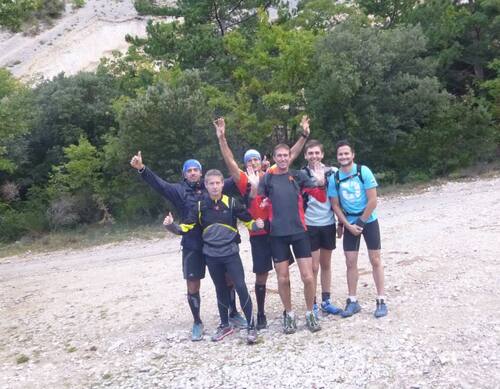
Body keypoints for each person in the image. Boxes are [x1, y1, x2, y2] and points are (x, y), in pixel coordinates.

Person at [130, 152, 247, 341]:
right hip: (192, 244)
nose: (193, 173)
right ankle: (197, 321)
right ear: (184, 174)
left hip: (217, 244)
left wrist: (257, 168)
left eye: (196, 170)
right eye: (189, 170)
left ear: (201, 173)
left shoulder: (212, 186)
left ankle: (233, 313)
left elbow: (237, 177)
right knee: (193, 283)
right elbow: (159, 184)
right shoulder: (178, 190)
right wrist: (142, 169)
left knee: (228, 280)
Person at [213, 116, 310, 330]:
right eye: (249, 161)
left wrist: (304, 135)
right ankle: (262, 313)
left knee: (283, 273)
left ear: (262, 160)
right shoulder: (243, 181)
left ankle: (287, 310)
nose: (253, 163)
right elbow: (229, 162)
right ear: (245, 164)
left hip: (278, 229)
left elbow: (290, 155)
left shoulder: (271, 174)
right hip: (258, 233)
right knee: (262, 274)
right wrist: (222, 139)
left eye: (256, 159)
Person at [164, 169, 264, 344]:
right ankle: (225, 325)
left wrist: (258, 225)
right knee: (220, 289)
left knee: (240, 287)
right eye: (211, 183)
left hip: (231, 253)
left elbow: (249, 222)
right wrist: (171, 226)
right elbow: (185, 228)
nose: (215, 186)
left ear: (222, 185)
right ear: (206, 185)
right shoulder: (200, 206)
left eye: (218, 183)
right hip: (212, 255)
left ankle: (251, 326)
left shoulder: (232, 203)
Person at [259, 143, 326, 334]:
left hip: (299, 232)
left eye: (285, 155)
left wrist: (321, 183)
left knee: (308, 276)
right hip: (277, 235)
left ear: (290, 157)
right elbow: (258, 202)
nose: (282, 159)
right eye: (278, 156)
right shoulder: (267, 178)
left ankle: (310, 312)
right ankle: (289, 314)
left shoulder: (298, 176)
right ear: (274, 158)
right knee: (282, 278)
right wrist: (262, 205)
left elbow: (320, 197)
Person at [327, 140, 388, 318]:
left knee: (375, 260)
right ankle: (353, 300)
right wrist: (346, 225)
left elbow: (373, 200)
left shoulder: (363, 171)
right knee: (350, 262)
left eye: (347, 153)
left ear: (353, 155)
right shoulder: (335, 178)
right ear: (337, 157)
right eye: (340, 154)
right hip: (350, 223)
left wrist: (360, 223)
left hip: (369, 221)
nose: (344, 157)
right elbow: (335, 205)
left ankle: (381, 299)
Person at [300, 139, 342, 318]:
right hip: (310, 225)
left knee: (326, 264)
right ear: (305, 155)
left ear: (322, 154)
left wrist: (341, 222)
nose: (314, 156)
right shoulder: (302, 174)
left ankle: (326, 301)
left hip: (328, 223)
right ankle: (313, 303)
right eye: (310, 153)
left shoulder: (332, 172)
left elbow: (339, 199)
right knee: (314, 267)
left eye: (317, 153)